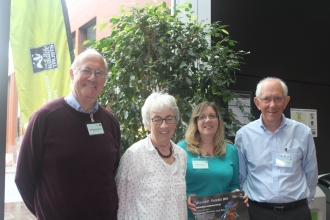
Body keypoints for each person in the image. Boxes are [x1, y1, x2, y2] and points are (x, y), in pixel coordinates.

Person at [15, 49, 121, 219]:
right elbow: (24, 177)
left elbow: (111, 170)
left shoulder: (110, 122)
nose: (92, 78)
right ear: (72, 74)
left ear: (104, 80)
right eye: (86, 70)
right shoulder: (45, 118)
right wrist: (45, 212)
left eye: (99, 72)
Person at [235, 77, 318, 220]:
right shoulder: (244, 135)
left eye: (278, 98)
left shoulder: (303, 133)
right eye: (266, 98)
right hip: (258, 213)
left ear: (286, 101)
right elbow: (241, 177)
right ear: (257, 102)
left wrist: (300, 204)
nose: (272, 105)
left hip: (297, 213)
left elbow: (311, 174)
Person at [116, 92, 187, 220]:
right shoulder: (134, 156)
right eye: (157, 119)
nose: (164, 125)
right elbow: (121, 205)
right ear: (148, 123)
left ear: (175, 122)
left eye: (169, 118)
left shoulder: (181, 155)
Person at [177, 101, 248, 220]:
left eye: (212, 116)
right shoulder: (181, 149)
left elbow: (233, 184)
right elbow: (174, 184)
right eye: (202, 117)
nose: (207, 120)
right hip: (190, 216)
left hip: (222, 217)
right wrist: (186, 196)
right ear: (196, 122)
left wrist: (236, 193)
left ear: (218, 121)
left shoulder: (230, 150)